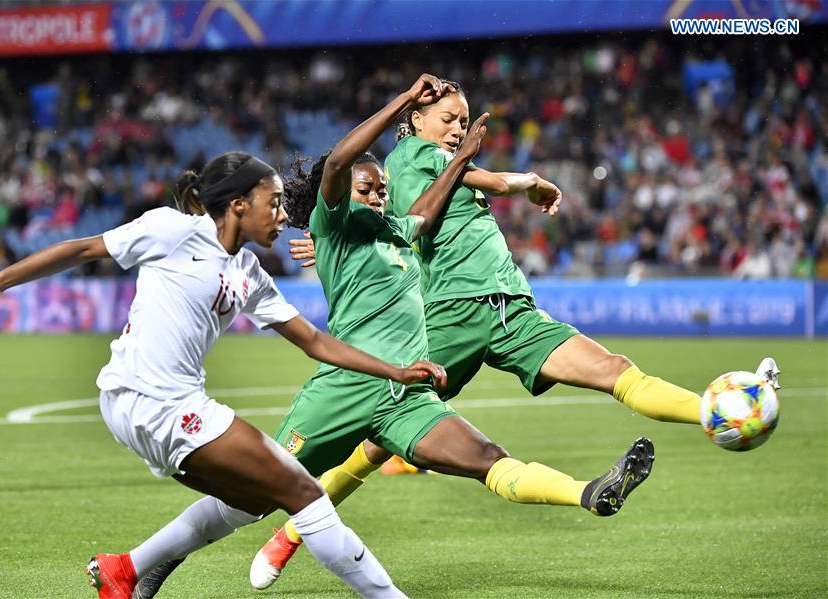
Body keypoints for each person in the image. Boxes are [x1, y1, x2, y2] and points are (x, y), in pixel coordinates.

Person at [239, 79, 783, 590]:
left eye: (466, 119)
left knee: (614, 370)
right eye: (449, 118)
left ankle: (718, 409)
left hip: (512, 313)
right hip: (447, 317)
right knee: (378, 436)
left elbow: (411, 211)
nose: (458, 127)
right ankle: (289, 531)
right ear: (414, 118)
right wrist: (524, 182)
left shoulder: (435, 164)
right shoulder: (408, 157)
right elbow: (458, 190)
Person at [133, 75, 656, 599]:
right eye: (368, 189)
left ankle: (588, 493)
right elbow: (338, 163)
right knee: (252, 498)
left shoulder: (398, 232)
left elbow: (425, 212)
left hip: (403, 397)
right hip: (340, 394)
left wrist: (458, 159)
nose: (378, 196)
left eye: (382, 189)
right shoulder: (332, 226)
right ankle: (157, 560)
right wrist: (405, 102)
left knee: (488, 458)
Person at [0, 151, 452, 599]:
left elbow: (315, 342)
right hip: (156, 401)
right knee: (304, 492)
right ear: (237, 205)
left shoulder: (250, 272)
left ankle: (124, 570)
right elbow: (83, 249)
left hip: (147, 406)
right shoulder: (172, 230)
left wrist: (396, 371)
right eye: (273, 202)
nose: (283, 215)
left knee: (254, 499)